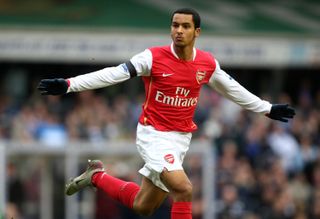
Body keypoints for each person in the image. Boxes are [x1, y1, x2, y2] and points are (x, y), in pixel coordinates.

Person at [37, 8, 295, 219]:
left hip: (180, 139)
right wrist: (70, 84)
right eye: (175, 25)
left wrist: (267, 108)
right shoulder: (153, 57)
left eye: (185, 26)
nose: (178, 31)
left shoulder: (206, 63)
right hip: (154, 134)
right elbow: (114, 73)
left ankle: (97, 176)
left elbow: (233, 90)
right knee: (184, 189)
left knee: (143, 206)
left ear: (197, 32)